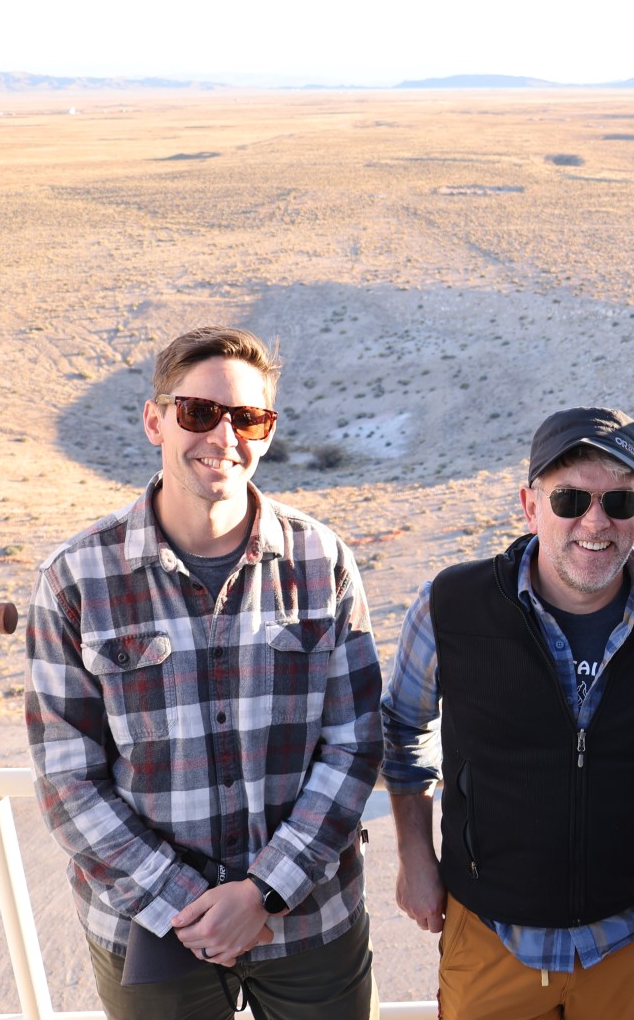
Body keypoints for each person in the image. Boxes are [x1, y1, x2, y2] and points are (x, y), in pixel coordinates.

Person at [26, 326, 382, 1020]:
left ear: (268, 433)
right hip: (152, 928)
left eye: (247, 417)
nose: (223, 436)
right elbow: (68, 779)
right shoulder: (77, 577)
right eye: (198, 413)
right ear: (156, 419)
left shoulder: (321, 561)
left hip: (308, 922)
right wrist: (188, 903)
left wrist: (262, 892)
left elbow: (355, 743)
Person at [381, 406, 634, 1020]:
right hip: (489, 933)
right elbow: (403, 730)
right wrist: (414, 855)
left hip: (632, 931)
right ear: (530, 506)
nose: (595, 520)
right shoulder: (452, 605)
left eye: (618, 502)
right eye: (569, 499)